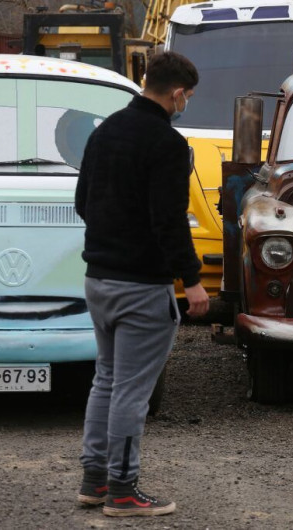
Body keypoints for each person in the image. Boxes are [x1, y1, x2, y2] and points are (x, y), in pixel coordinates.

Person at [74, 51, 210, 517]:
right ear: (177, 94)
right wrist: (192, 281)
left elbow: (82, 201)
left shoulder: (103, 130)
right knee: (132, 390)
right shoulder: (168, 144)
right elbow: (169, 221)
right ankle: (124, 492)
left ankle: (94, 480)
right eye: (187, 97)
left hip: (99, 280)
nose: (185, 103)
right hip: (142, 288)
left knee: (106, 381)